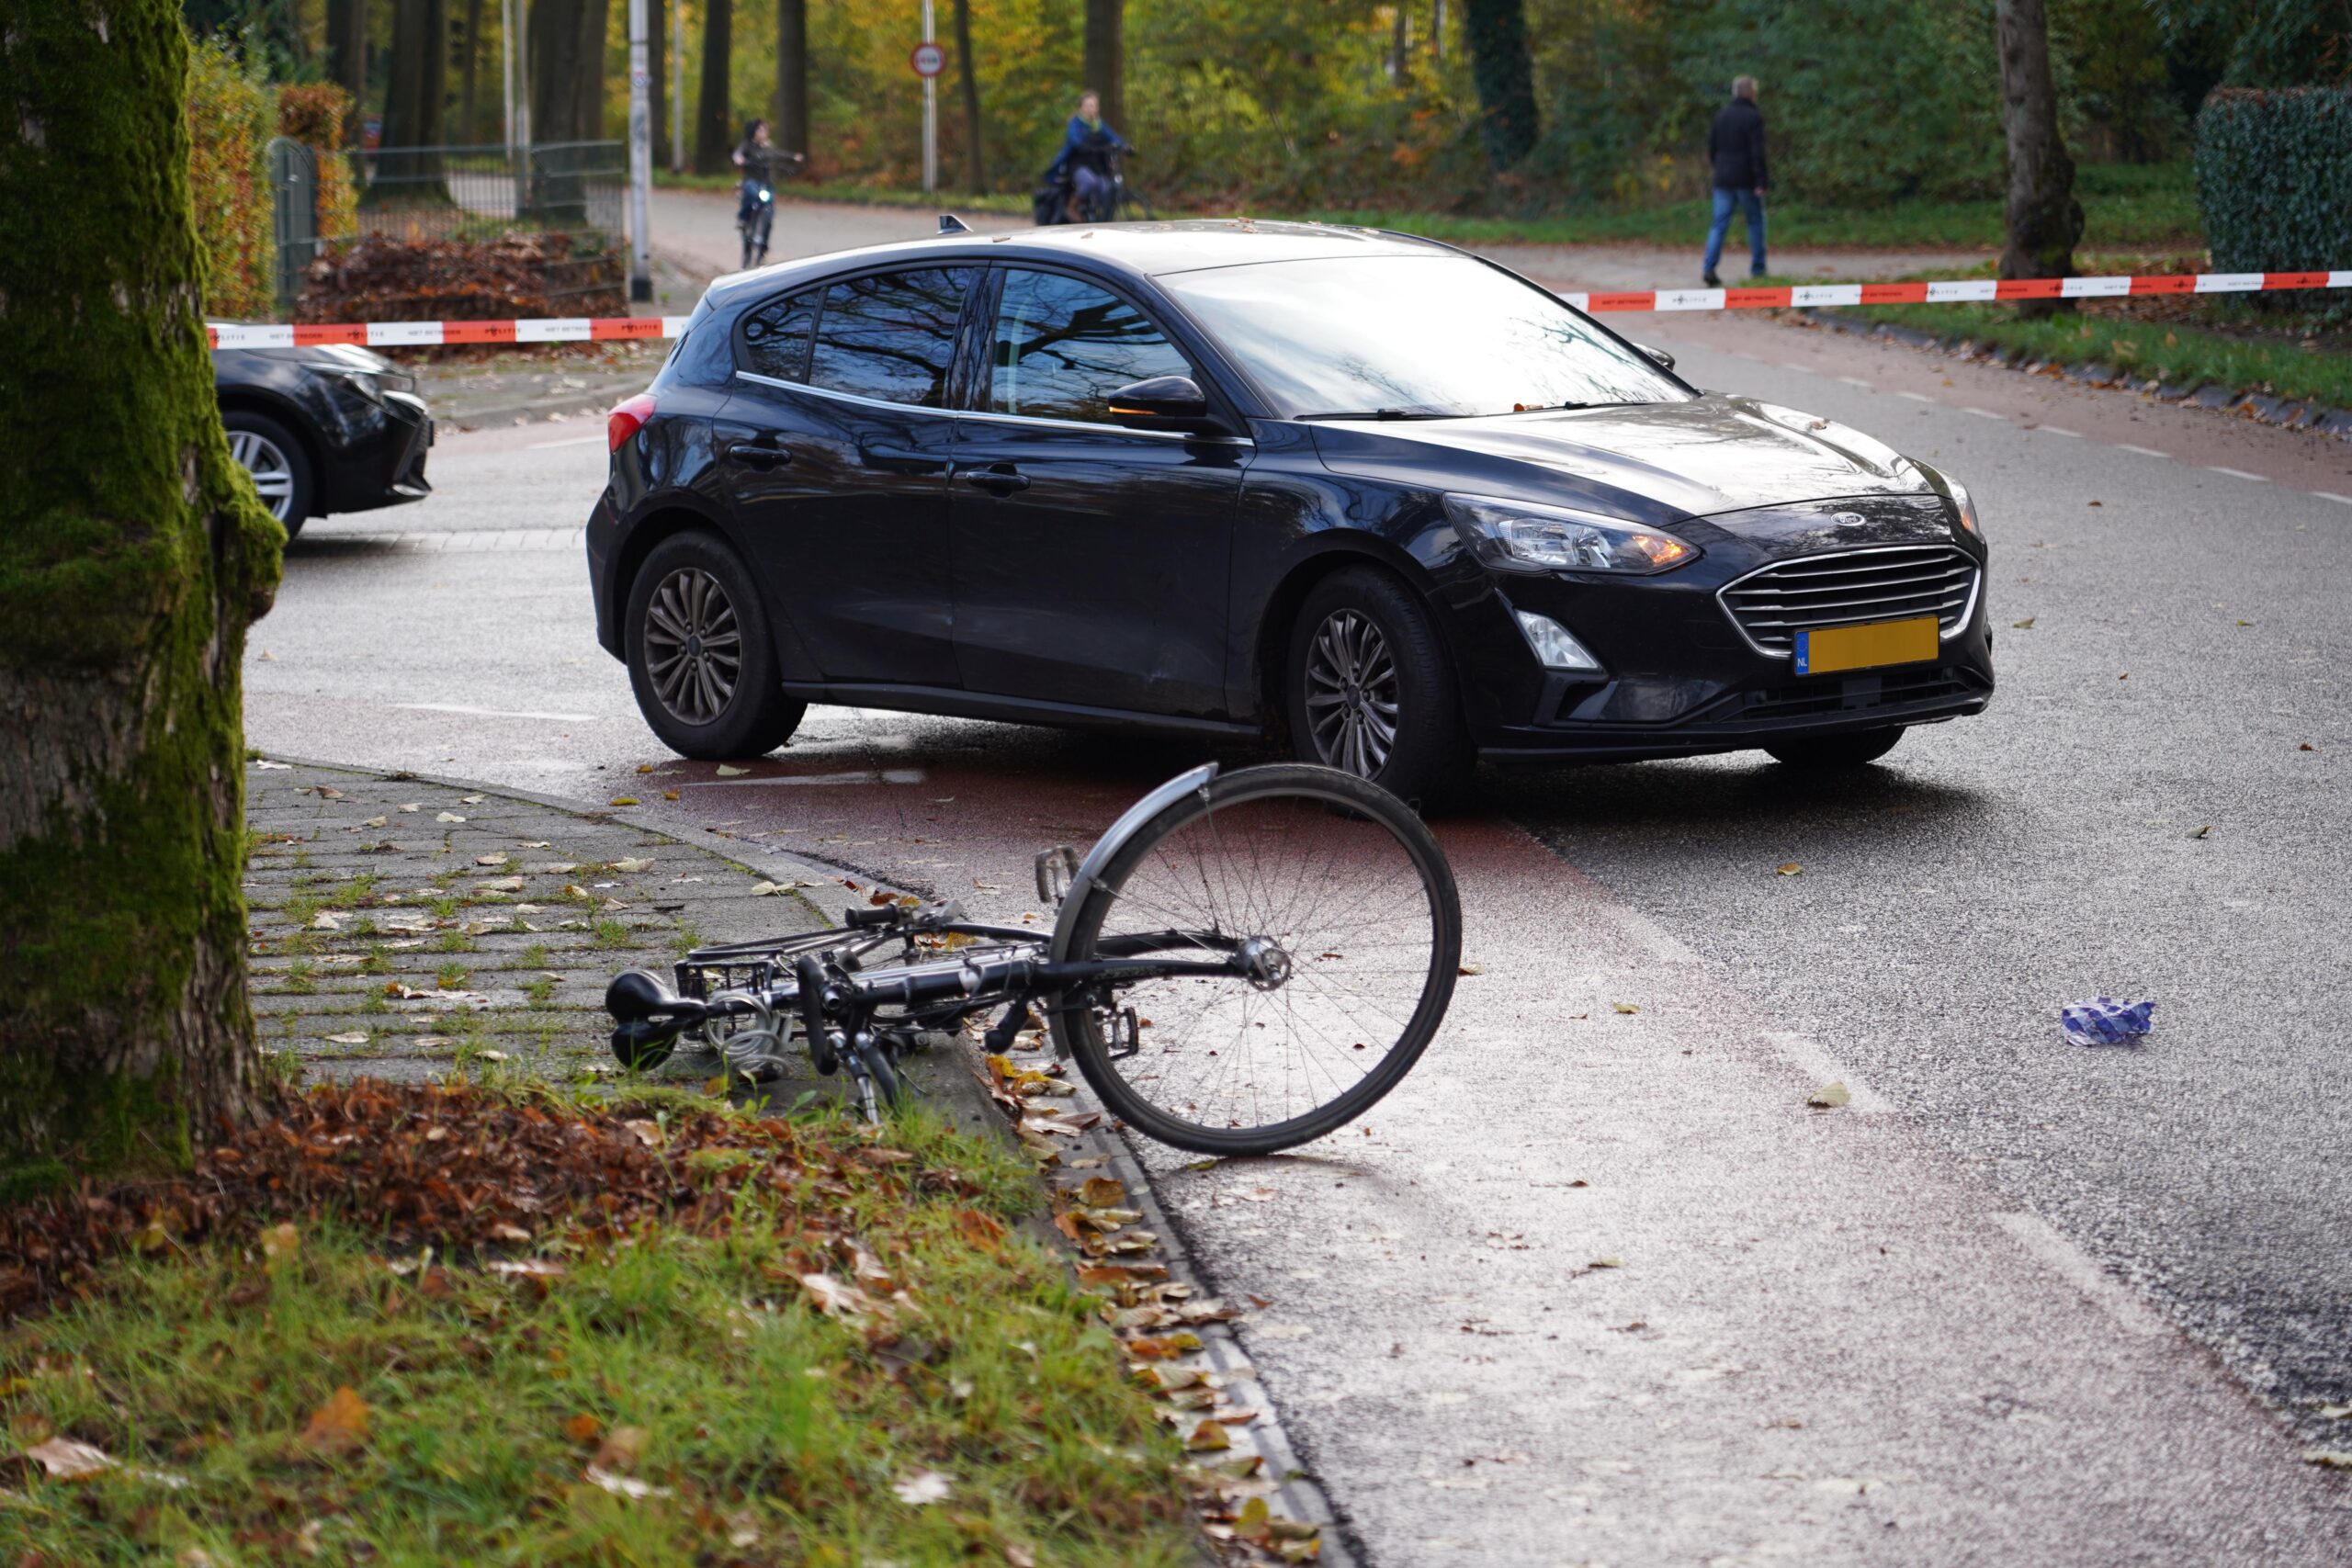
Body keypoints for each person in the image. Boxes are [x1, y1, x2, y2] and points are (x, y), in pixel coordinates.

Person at [1702, 75, 1768, 288]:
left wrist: (1719, 167)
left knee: (1719, 224)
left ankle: (1709, 267)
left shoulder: (1720, 116)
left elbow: (1712, 148)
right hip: (1746, 179)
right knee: (1755, 222)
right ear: (1750, 93)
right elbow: (1757, 152)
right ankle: (1758, 269)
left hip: (1722, 178)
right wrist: (1761, 181)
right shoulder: (1753, 117)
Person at [1046, 90, 1128, 221]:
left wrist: (1124, 146)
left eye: (1094, 105)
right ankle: (1071, 207)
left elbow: (1113, 137)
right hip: (1077, 164)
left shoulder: (1099, 124)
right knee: (1089, 182)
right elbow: (1074, 139)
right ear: (1081, 108)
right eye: (1088, 105)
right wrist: (1086, 145)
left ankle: (1098, 216)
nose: (1091, 108)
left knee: (1105, 187)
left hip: (1095, 165)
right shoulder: (1075, 123)